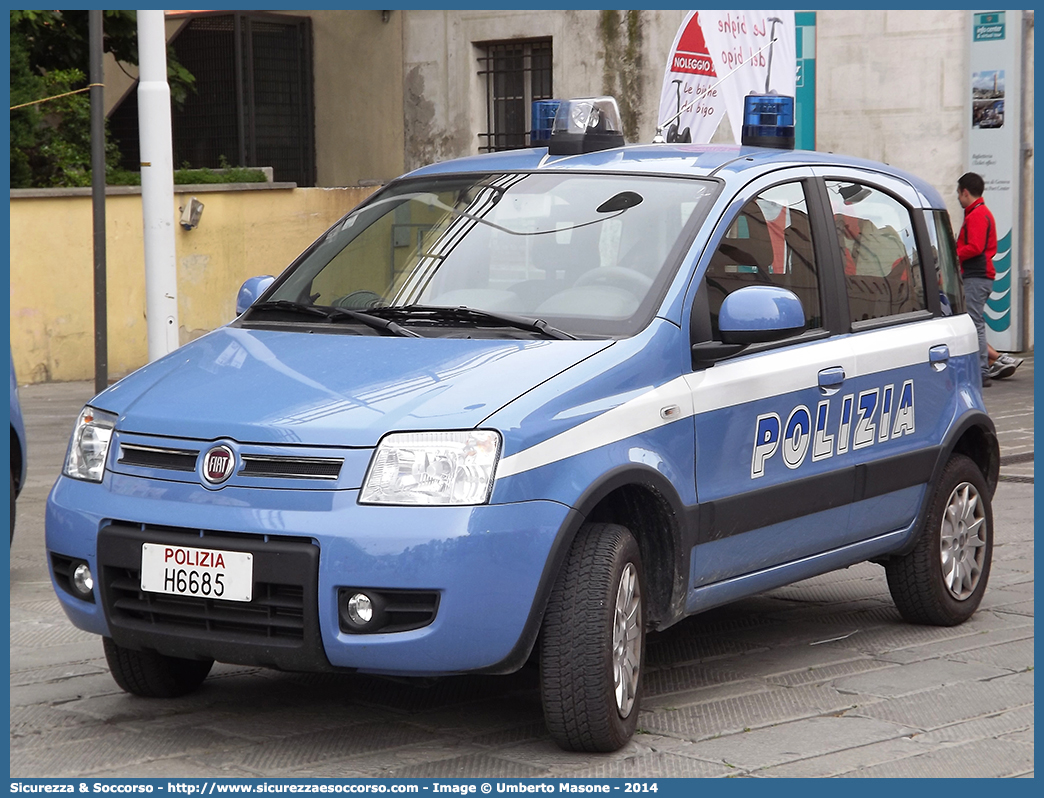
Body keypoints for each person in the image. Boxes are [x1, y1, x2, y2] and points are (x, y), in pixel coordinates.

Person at [955, 172, 997, 387]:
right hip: (980, 276)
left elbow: (975, 247)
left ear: (965, 192)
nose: (958, 200)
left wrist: (954, 254)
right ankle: (982, 367)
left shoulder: (977, 215)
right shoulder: (980, 213)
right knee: (974, 321)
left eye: (958, 194)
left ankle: (981, 371)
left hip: (977, 276)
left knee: (974, 322)